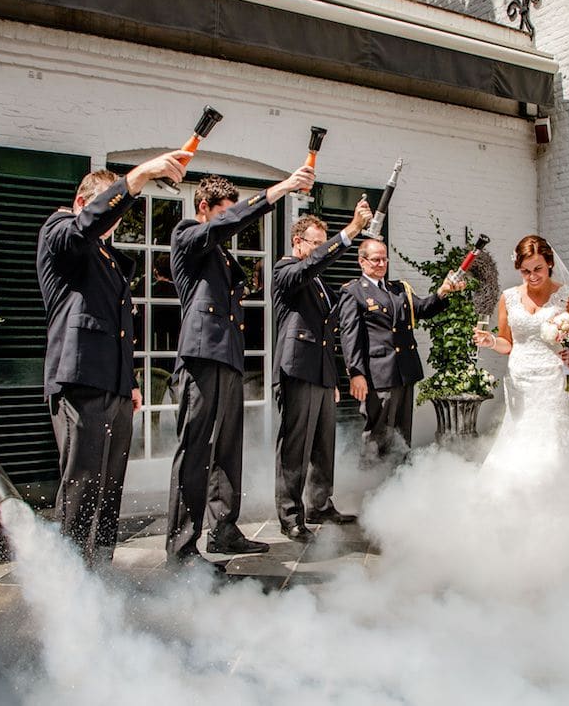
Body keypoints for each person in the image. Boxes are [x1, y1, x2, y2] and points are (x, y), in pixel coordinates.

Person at [37, 158, 187, 567]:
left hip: (115, 382)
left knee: (109, 484)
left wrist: (131, 382)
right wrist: (138, 177)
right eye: (109, 213)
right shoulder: (59, 229)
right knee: (82, 483)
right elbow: (83, 228)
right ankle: (69, 575)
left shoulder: (106, 256)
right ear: (84, 201)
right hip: (81, 377)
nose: (112, 226)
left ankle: (100, 566)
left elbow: (118, 327)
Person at [167, 169, 313, 571]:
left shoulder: (221, 253)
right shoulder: (187, 234)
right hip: (202, 356)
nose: (231, 221)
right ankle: (181, 550)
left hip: (228, 356)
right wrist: (281, 188)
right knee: (195, 454)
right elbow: (227, 224)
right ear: (204, 208)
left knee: (227, 451)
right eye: (223, 213)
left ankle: (223, 528)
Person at [273, 198, 372, 542]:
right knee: (295, 447)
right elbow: (310, 265)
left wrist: (332, 378)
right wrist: (349, 232)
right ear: (298, 242)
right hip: (297, 370)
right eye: (315, 243)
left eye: (322, 243)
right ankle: (290, 516)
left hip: (320, 373)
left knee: (322, 444)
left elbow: (328, 330)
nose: (319, 249)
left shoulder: (318, 284)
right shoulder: (287, 270)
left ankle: (318, 504)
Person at [336, 238, 465, 463]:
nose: (381, 264)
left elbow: (423, 309)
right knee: (378, 435)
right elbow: (349, 336)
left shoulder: (399, 289)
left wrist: (443, 292)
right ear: (362, 262)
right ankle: (370, 486)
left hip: (405, 371)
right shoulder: (354, 292)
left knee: (401, 435)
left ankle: (396, 487)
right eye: (375, 259)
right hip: (379, 375)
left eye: (384, 259)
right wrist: (356, 373)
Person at [473, 235, 569, 472]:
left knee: (554, 442)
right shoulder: (509, 298)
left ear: (549, 263)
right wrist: (491, 341)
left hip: (556, 380)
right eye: (525, 271)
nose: (532, 276)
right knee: (519, 438)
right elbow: (508, 343)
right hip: (520, 382)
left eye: (537, 268)